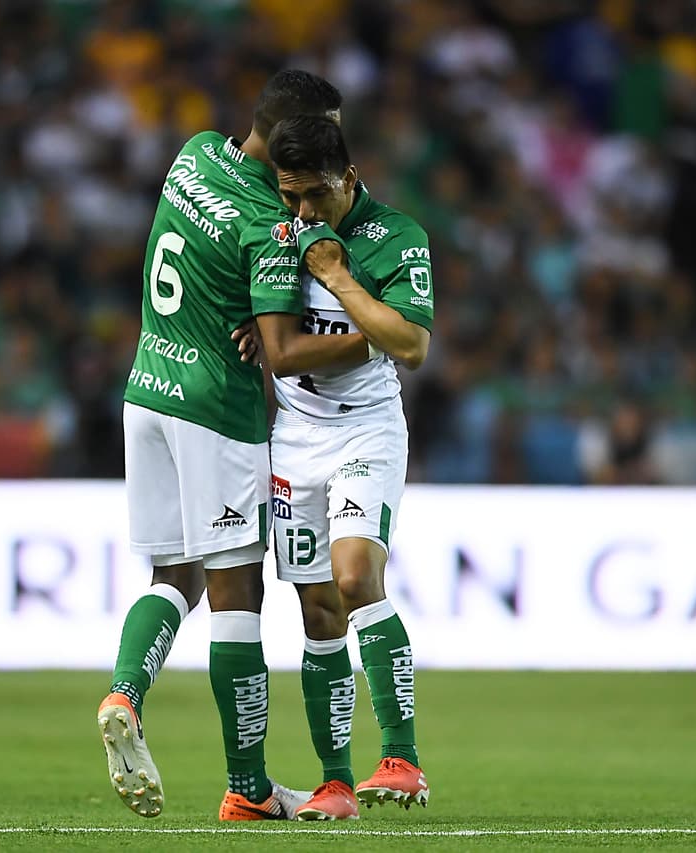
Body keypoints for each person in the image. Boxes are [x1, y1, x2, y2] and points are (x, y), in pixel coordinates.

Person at [98, 70, 356, 822]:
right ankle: (247, 788)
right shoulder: (270, 226)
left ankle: (125, 689)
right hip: (216, 408)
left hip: (147, 388)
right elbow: (279, 348)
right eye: (327, 133)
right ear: (290, 142)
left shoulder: (193, 154)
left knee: (173, 573)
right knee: (239, 595)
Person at [244, 114, 433, 821]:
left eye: (313, 198)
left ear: (347, 179)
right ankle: (335, 783)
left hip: (366, 433)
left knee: (356, 577)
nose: (301, 213)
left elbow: (409, 343)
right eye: (290, 197)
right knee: (318, 610)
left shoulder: (396, 236)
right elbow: (278, 343)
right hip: (294, 439)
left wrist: (335, 275)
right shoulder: (279, 230)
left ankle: (404, 758)